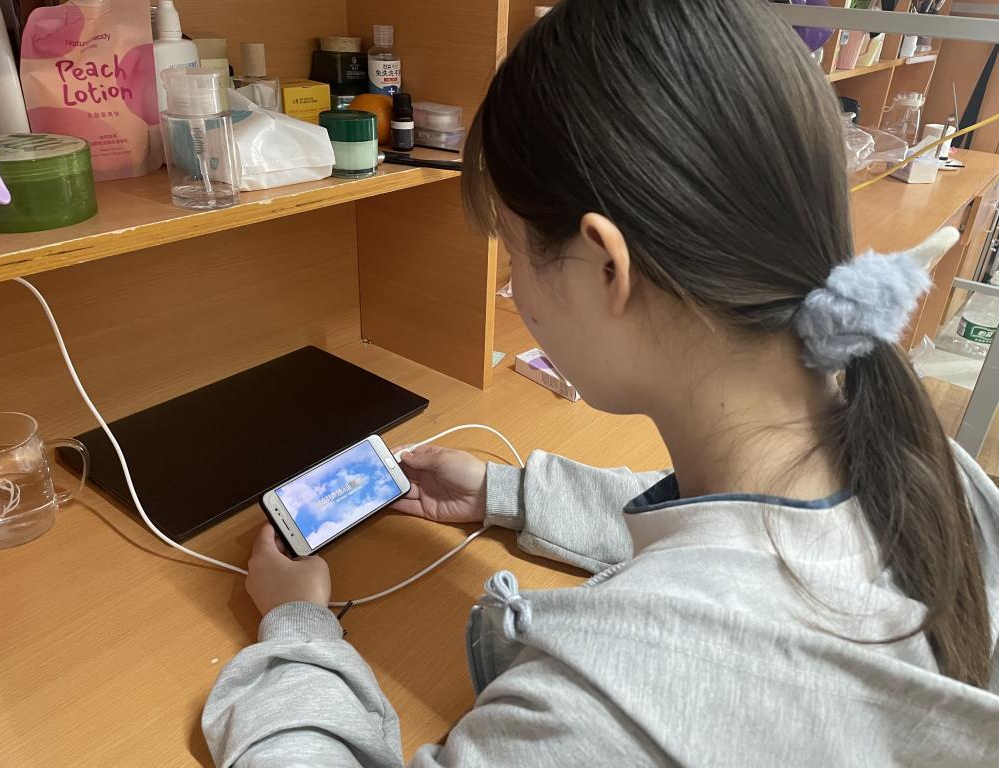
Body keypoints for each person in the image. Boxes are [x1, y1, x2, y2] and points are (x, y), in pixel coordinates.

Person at [203, 0, 999, 764]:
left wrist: (298, 625)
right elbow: (740, 540)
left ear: (606, 266)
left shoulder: (605, 706)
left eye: (512, 252)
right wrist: (511, 493)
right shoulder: (924, 465)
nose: (512, 291)